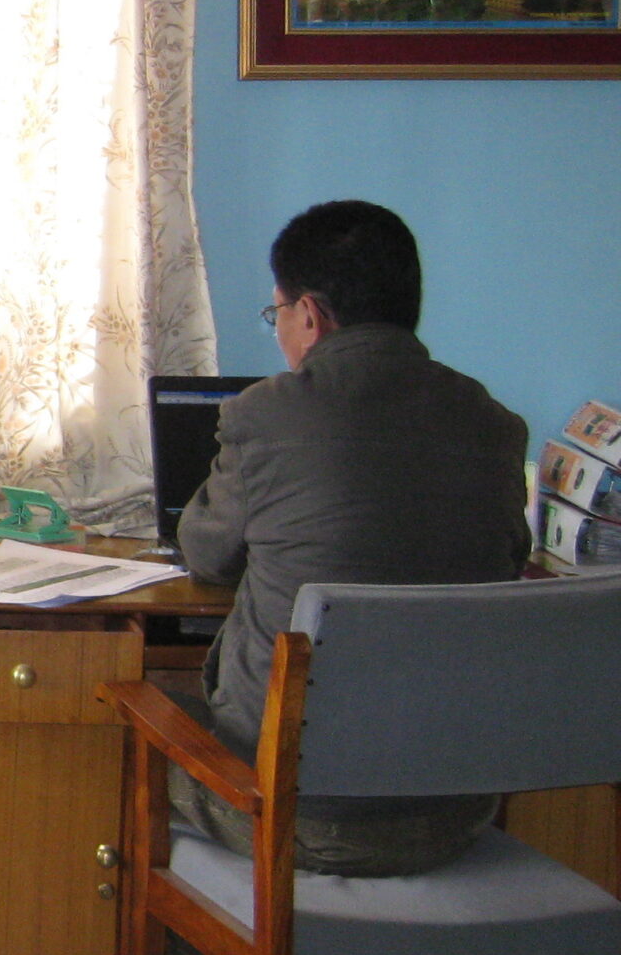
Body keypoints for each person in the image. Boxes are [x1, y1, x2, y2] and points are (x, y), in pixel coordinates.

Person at [173, 200, 530, 876]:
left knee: (138, 712)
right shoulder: (495, 424)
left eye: (275, 313)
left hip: (287, 814)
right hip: (454, 812)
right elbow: (509, 560)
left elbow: (206, 554)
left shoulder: (264, 415)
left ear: (308, 313)